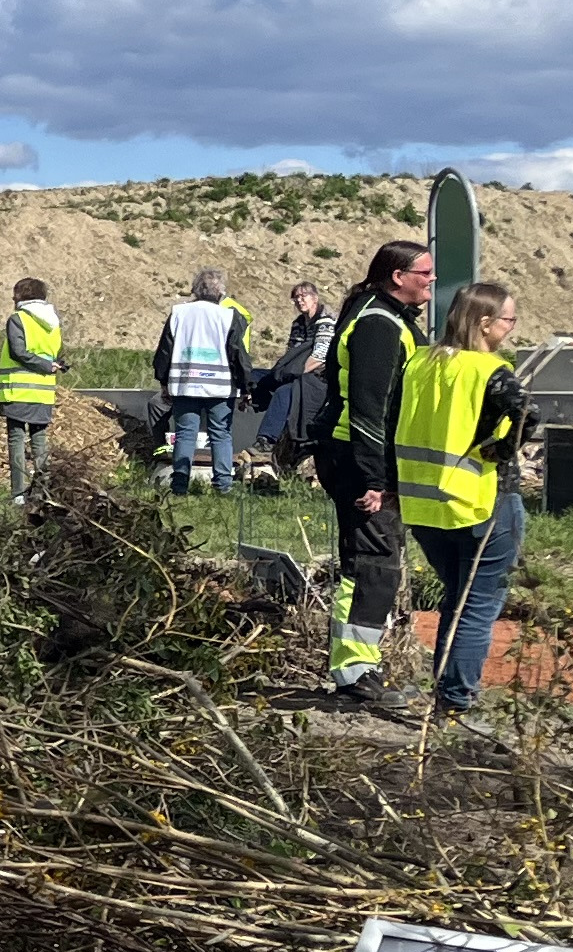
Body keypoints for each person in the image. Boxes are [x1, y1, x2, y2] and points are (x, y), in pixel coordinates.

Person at [399, 279, 531, 719]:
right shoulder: (488, 371)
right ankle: (456, 702)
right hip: (482, 501)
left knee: (456, 599)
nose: (512, 328)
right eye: (509, 320)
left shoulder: (419, 362)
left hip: (424, 504)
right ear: (486, 322)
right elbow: (528, 413)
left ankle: (445, 693)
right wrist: (501, 449)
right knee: (475, 606)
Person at [316, 239, 435, 708]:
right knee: (371, 565)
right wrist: (374, 479)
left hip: (359, 456)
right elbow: (369, 407)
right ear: (397, 277)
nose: (431, 280)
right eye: (423, 273)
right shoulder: (377, 324)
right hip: (356, 457)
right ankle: (355, 673)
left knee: (370, 563)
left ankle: (359, 667)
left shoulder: (386, 317)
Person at [149, 266, 257, 498]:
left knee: (185, 434)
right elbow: (238, 354)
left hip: (185, 385)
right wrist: (246, 386)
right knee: (221, 434)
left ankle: (179, 485)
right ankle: (223, 485)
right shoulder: (229, 315)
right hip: (220, 387)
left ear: (196, 289)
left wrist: (163, 382)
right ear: (221, 292)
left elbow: (164, 351)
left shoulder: (179, 313)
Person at [0, 276, 62, 500]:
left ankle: (18, 494)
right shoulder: (53, 322)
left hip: (17, 390)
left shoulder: (18, 319)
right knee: (40, 440)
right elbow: (58, 353)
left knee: (16, 440)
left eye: (15, 293)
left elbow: (17, 352)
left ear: (22, 295)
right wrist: (52, 365)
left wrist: (42, 364)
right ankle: (43, 492)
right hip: (43, 392)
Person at [256, 281, 333, 472]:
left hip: (317, 377)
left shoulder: (326, 322)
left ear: (314, 297)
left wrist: (295, 373)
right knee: (256, 377)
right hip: (296, 372)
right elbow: (291, 352)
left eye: (303, 296)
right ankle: (253, 402)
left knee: (284, 392)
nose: (300, 300)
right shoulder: (298, 324)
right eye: (296, 297)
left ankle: (267, 438)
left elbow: (320, 356)